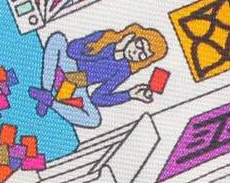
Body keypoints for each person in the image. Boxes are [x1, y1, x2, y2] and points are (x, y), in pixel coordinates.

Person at [30, 23, 167, 128]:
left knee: (94, 120)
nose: (136, 53)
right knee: (57, 38)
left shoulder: (124, 70)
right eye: (139, 45)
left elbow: (97, 97)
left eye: (142, 56)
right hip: (68, 64)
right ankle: (46, 90)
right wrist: (112, 50)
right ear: (132, 36)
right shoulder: (107, 37)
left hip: (78, 85)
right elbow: (71, 50)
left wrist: (130, 94)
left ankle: (50, 102)